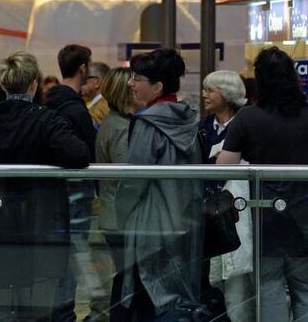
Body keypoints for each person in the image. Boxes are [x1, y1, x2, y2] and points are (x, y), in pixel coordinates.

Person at [0, 51, 90, 320]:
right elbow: (78, 154)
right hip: (40, 229)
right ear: (34, 84)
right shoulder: (47, 120)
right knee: (38, 313)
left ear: (3, 84)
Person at [218, 47, 308, 322]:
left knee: (268, 288)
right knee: (305, 288)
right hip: (305, 218)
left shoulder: (247, 118)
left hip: (264, 219)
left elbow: (224, 167)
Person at [116, 48, 204, 319]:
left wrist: (120, 213)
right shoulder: (188, 119)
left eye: (138, 78)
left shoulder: (147, 124)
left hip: (151, 226)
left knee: (151, 299)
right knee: (179, 296)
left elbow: (133, 182)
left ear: (157, 86)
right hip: (187, 220)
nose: (130, 83)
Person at [45, 44, 97, 320]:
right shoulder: (77, 111)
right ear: (83, 69)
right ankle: (65, 313)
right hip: (76, 194)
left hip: (51, 194)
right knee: (74, 255)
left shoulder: (47, 104)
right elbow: (87, 153)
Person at [198, 70, 253, 322]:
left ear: (227, 94)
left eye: (210, 90)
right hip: (207, 215)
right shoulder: (202, 127)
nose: (204, 95)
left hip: (238, 214)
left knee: (237, 284)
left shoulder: (246, 125)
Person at [95, 67, 139, 322]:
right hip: (121, 217)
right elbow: (128, 176)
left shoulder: (112, 121)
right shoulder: (121, 128)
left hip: (113, 214)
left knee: (124, 278)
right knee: (126, 282)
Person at [83, 61, 110, 126]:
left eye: (85, 78)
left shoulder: (103, 108)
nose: (81, 81)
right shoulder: (88, 102)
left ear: (97, 82)